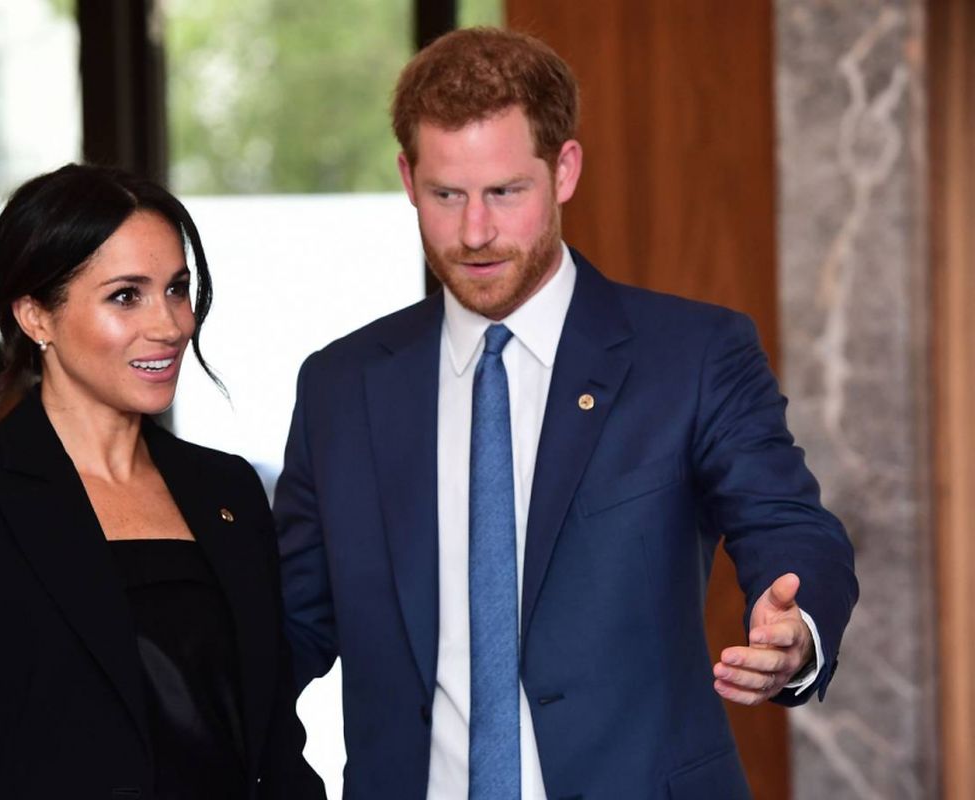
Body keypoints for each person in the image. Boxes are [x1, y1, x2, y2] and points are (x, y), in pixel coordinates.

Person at [274, 27, 858, 800]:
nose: (474, 232)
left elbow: (789, 525)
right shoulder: (340, 386)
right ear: (408, 178)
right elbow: (290, 621)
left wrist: (797, 630)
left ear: (565, 171)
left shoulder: (692, 356)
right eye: (447, 195)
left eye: (506, 192)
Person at [0, 164, 325, 799]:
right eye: (126, 295)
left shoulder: (227, 491)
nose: (170, 325)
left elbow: (274, 745)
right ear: (36, 316)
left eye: (177, 289)